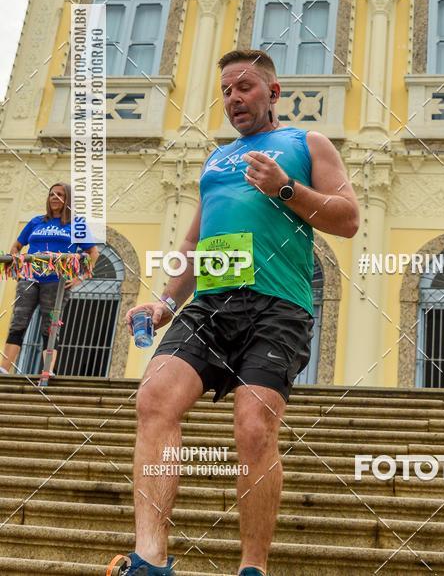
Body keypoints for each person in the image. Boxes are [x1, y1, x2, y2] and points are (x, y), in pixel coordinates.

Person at [115, 49, 360, 576]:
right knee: (155, 398)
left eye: (244, 87)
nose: (233, 98)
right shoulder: (214, 159)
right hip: (210, 304)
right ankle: (150, 558)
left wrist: (285, 188)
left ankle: (253, 567)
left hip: (278, 308)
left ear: (273, 93)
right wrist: (163, 300)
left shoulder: (304, 143)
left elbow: (348, 219)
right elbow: (194, 240)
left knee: (253, 429)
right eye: (226, 90)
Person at [0, 182, 99, 376]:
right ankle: (4, 368)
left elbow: (93, 253)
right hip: (30, 280)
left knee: (50, 325)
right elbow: (16, 247)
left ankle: (47, 370)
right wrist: (18, 268)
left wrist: (81, 277)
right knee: (18, 323)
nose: (55, 197)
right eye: (52, 194)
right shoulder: (36, 221)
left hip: (57, 282)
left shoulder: (76, 224)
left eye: (60, 194)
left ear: (67, 199)